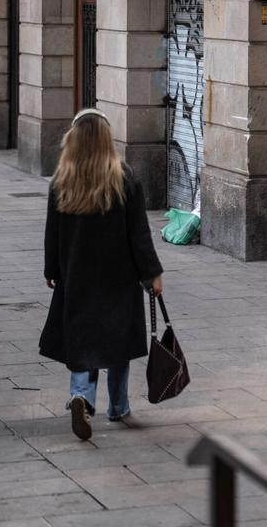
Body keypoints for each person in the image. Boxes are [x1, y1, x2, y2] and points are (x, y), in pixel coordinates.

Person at [39, 108, 164, 441]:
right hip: (118, 278)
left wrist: (52, 269)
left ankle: (82, 395)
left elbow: (52, 231)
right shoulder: (124, 178)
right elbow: (139, 234)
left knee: (82, 340)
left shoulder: (62, 179)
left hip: (77, 276)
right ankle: (119, 407)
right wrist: (151, 274)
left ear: (74, 140)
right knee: (117, 342)